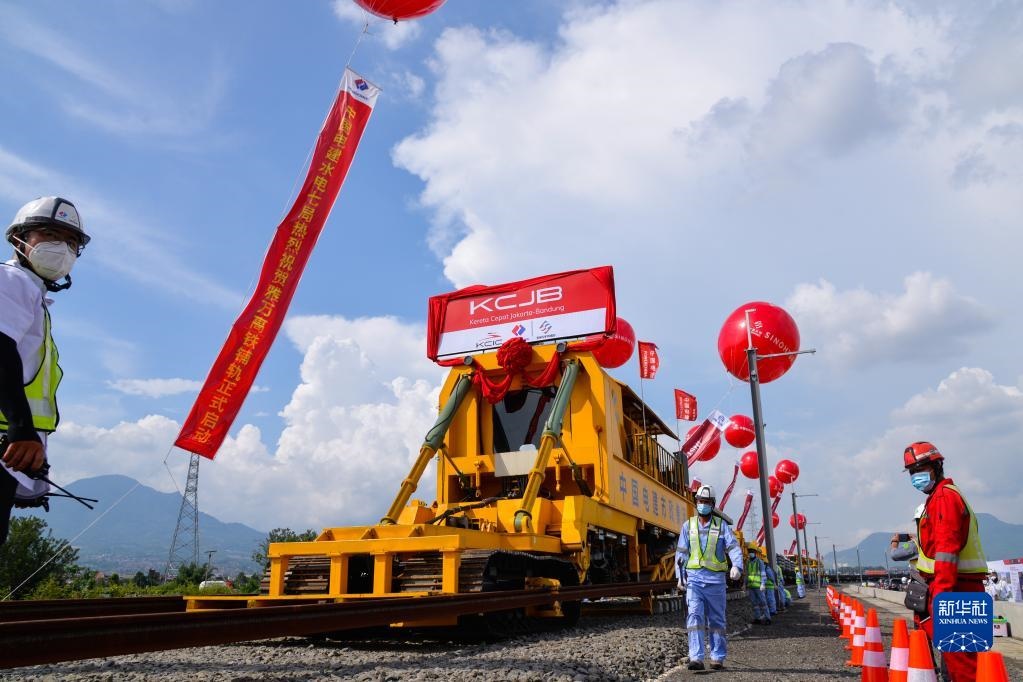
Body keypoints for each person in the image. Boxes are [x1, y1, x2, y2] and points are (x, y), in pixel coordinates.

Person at [0, 197, 89, 545]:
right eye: (49, 235)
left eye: (71, 242)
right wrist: (21, 429)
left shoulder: (31, 295)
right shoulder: (11, 280)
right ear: (19, 239)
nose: (61, 248)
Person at [904, 441, 987, 682]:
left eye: (920, 469)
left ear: (936, 467)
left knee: (964, 666)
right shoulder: (941, 497)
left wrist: (941, 598)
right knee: (959, 659)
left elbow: (946, 552)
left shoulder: (943, 498)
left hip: (955, 590)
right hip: (955, 588)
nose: (915, 476)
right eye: (912, 472)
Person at [675, 485, 743, 671]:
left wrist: (737, 566)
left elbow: (733, 548)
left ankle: (717, 657)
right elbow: (681, 553)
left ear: (712, 505)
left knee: (716, 621)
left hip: (715, 582)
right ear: (696, 502)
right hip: (694, 581)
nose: (702, 505)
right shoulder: (688, 526)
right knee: (694, 617)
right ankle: (696, 657)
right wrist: (680, 577)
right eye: (700, 501)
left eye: (706, 502)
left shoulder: (721, 526)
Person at [745, 543, 770, 625]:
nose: (750, 553)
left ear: (755, 552)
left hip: (759, 586)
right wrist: (744, 584)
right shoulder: (748, 562)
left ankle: (768, 618)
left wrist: (763, 583)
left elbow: (763, 573)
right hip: (751, 586)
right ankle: (757, 618)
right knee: (754, 604)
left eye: (751, 551)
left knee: (763, 602)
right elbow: (747, 574)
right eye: (749, 551)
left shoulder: (759, 562)